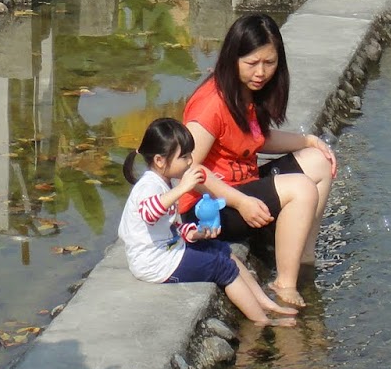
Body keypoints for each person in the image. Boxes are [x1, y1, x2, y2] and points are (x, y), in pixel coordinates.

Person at [184, 15, 337, 308]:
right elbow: (188, 168)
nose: (261, 72)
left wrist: (308, 141)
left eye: (270, 63)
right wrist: (240, 202)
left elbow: (255, 138)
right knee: (301, 188)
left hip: (242, 187)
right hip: (209, 208)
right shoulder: (211, 104)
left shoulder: (245, 93)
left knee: (319, 162)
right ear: (232, 58)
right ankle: (285, 285)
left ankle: (304, 256)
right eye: (252, 63)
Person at [119, 119, 298, 326]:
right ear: (160, 161)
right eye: (184, 157)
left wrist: (193, 233)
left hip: (166, 249)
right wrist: (183, 188)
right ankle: (262, 320)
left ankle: (265, 302)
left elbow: (169, 227)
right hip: (154, 263)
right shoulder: (149, 186)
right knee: (221, 267)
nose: (189, 162)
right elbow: (149, 213)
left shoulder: (164, 183)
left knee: (222, 249)